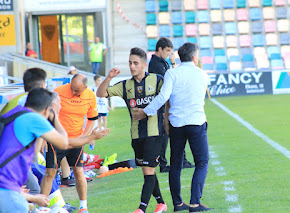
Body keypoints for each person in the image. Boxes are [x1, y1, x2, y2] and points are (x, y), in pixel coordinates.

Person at [133, 43, 213, 212]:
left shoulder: (172, 73)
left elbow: (163, 97)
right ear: (194, 57)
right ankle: (194, 203)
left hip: (176, 124)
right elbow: (205, 82)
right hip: (196, 122)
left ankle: (178, 203)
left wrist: (145, 112)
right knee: (202, 162)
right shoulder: (202, 74)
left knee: (175, 164)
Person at [96, 47, 167, 213]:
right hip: (136, 135)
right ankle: (161, 203)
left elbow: (169, 97)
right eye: (130, 63)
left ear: (144, 64)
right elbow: (101, 93)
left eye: (135, 63)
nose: (132, 66)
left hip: (154, 133)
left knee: (149, 170)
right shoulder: (125, 85)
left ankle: (141, 209)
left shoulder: (157, 80)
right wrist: (109, 77)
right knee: (147, 170)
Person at [0, 88, 69, 213]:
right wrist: (55, 118)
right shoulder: (33, 118)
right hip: (8, 191)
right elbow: (64, 143)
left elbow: (34, 153)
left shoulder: (13, 114)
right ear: (48, 109)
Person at [40, 74, 99, 213]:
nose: (73, 92)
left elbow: (92, 118)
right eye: (72, 88)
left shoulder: (90, 95)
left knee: (79, 171)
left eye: (77, 91)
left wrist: (85, 136)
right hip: (56, 138)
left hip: (76, 139)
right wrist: (44, 137)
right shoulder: (59, 91)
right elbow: (46, 113)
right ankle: (41, 207)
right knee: (50, 172)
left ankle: (83, 207)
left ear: (85, 88)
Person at [148, 37, 194, 173]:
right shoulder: (156, 65)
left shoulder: (163, 63)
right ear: (160, 49)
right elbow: (169, 85)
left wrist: (173, 63)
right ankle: (164, 164)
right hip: (163, 106)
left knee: (171, 134)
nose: (169, 53)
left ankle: (178, 161)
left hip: (167, 105)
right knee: (166, 136)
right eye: (167, 50)